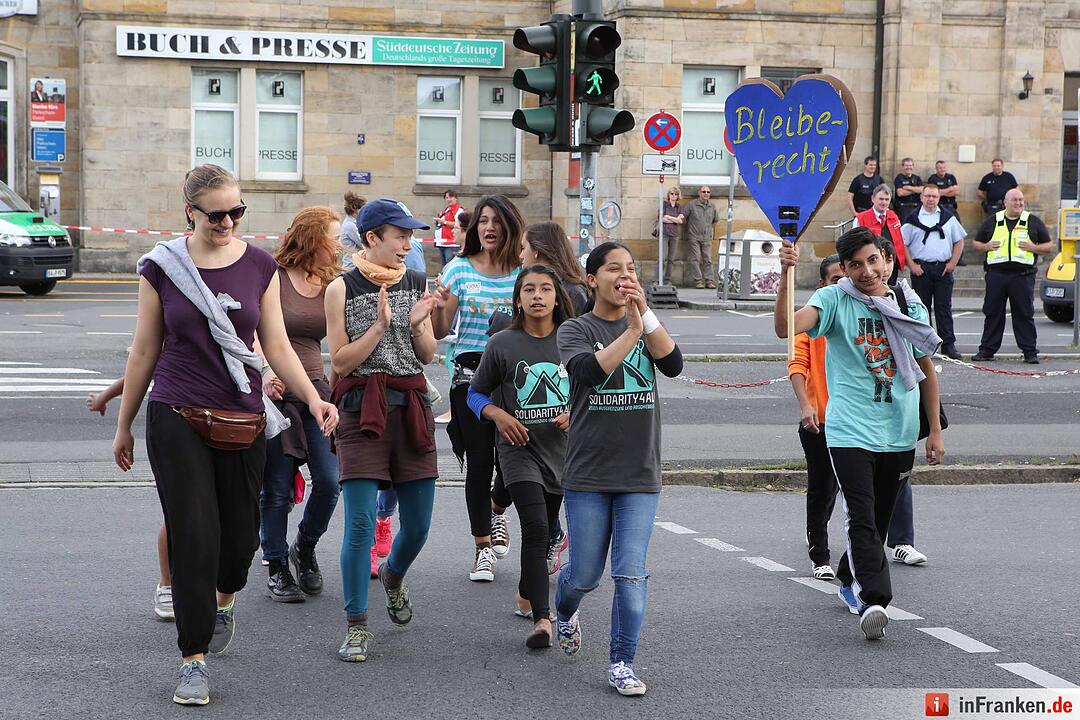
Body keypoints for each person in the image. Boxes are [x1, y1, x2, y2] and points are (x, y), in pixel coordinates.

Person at [112, 164, 338, 706]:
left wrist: (312, 398)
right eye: (216, 215)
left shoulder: (260, 265)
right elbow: (145, 350)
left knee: (238, 541)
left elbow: (276, 345)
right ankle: (192, 659)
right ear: (189, 211)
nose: (228, 222)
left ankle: (225, 599)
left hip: (242, 416)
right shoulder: (161, 267)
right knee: (193, 534)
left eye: (237, 211)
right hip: (176, 411)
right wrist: (124, 424)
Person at [775, 226, 944, 642]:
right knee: (862, 515)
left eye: (872, 260)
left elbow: (925, 369)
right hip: (849, 429)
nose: (866, 271)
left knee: (880, 519)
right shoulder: (834, 300)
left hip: (900, 429)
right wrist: (785, 275)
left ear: (886, 258)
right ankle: (874, 600)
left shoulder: (907, 302)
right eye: (855, 265)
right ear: (845, 270)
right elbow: (785, 328)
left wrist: (935, 431)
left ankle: (850, 574)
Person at [555, 242, 683, 696]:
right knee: (585, 576)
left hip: (640, 472)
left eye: (630, 268)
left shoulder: (645, 323)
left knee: (630, 574)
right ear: (592, 280)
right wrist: (630, 331)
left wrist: (644, 317)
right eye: (614, 268)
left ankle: (622, 662)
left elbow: (673, 364)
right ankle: (565, 609)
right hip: (588, 473)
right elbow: (588, 372)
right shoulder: (575, 328)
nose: (624, 276)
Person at [324, 198, 439, 663]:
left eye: (410, 237)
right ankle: (356, 624)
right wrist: (377, 328)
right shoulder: (341, 288)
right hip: (359, 411)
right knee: (359, 525)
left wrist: (417, 326)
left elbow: (426, 355)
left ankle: (393, 574)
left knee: (419, 526)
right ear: (372, 238)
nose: (407, 245)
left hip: (411, 409)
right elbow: (339, 362)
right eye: (400, 236)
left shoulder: (417, 282)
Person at [468, 265, 574, 649]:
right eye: (529, 289)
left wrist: (576, 412)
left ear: (557, 298)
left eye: (545, 289)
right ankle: (543, 621)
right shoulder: (503, 344)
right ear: (518, 299)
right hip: (518, 450)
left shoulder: (573, 339)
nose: (537, 296)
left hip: (560, 453)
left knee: (543, 530)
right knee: (537, 528)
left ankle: (526, 594)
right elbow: (475, 393)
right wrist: (498, 415)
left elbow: (594, 386)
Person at [432, 195, 523, 581]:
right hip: (470, 378)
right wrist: (438, 306)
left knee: (515, 462)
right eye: (483, 221)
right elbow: (439, 331)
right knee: (480, 462)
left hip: (517, 380)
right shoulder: (458, 269)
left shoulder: (524, 272)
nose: (488, 228)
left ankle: (498, 509)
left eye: (496, 221)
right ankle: (482, 548)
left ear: (510, 227)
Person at [257, 207, 344, 603]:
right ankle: (277, 566)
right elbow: (253, 331)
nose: (339, 246)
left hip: (315, 392)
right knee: (276, 487)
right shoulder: (272, 275)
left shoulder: (333, 283)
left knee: (329, 480)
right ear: (312, 239)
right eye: (333, 238)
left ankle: (304, 547)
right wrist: (263, 371)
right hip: (276, 393)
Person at [88, 377, 173, 620]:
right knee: (177, 513)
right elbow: (139, 370)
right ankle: (167, 585)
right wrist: (105, 398)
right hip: (176, 423)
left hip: (229, 422)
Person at [788, 255, 844, 580]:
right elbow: (797, 364)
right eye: (834, 279)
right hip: (818, 420)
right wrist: (805, 405)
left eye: (844, 277)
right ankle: (820, 554)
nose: (841, 283)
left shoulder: (856, 313)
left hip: (852, 421)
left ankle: (825, 533)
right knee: (821, 488)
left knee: (842, 489)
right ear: (823, 284)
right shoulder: (812, 319)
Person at [971, 188, 1054, 364]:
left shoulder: (1032, 221)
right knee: (993, 313)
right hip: (996, 275)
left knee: (1024, 314)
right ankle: (986, 351)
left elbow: (1048, 246)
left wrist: (1034, 248)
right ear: (1005, 202)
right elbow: (976, 243)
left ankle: (1030, 352)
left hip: (1022, 276)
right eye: (1015, 200)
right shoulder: (993, 220)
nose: (1019, 203)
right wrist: (986, 246)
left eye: (1021, 200)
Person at [900, 185, 966, 360]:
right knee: (922, 309)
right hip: (921, 270)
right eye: (928, 196)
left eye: (934, 196)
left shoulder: (948, 218)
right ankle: (925, 347)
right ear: (921, 197)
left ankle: (948, 345)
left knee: (944, 308)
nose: (931, 199)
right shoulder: (913, 218)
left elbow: (959, 241)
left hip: (943, 269)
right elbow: (903, 243)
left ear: (939, 198)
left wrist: (953, 263)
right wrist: (911, 265)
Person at [434, 209, 471, 425]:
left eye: (456, 228)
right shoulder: (458, 263)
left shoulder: (460, 264)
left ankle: (452, 410)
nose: (453, 232)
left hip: (458, 331)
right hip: (454, 330)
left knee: (455, 368)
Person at [853, 184, 906, 285]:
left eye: (887, 199)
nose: (884, 202)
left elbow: (901, 239)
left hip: (890, 264)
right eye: (881, 199)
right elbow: (855, 243)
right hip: (871, 265)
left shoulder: (894, 216)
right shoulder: (861, 218)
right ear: (873, 199)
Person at [683, 185, 720, 289]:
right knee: (695, 258)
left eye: (708, 192)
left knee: (708, 259)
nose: (706, 194)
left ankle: (709, 281)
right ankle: (698, 281)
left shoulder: (712, 206)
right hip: (694, 236)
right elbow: (683, 217)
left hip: (707, 237)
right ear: (699, 193)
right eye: (704, 192)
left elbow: (716, 220)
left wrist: (708, 230)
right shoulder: (692, 204)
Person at [660, 188, 685, 284]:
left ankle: (667, 279)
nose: (674, 195)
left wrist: (669, 217)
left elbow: (681, 221)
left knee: (671, 258)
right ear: (668, 195)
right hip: (665, 233)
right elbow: (662, 219)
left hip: (675, 234)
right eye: (672, 193)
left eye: (676, 194)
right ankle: (657, 279)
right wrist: (675, 219)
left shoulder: (679, 207)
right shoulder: (664, 205)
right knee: (662, 257)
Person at [433, 189, 463, 267]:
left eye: (451, 197)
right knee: (444, 267)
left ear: (456, 198)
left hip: (452, 244)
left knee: (450, 266)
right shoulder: (445, 210)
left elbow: (458, 224)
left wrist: (444, 222)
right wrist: (437, 222)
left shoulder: (459, 210)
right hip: (442, 243)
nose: (448, 199)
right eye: (446, 197)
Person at [340, 192, 366, 271]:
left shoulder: (353, 223)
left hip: (356, 266)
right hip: (351, 267)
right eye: (362, 209)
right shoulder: (350, 226)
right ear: (356, 210)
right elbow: (364, 244)